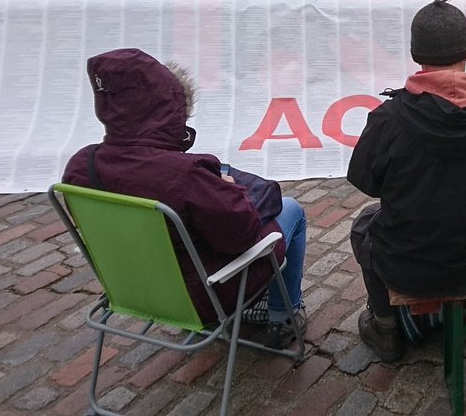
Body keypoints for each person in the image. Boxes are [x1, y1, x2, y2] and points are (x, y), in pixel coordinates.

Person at [63, 49, 307, 349]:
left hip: (130, 288)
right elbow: (243, 235)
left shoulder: (80, 165)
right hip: (198, 297)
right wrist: (231, 189)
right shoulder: (185, 175)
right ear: (167, 108)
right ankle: (283, 317)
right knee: (291, 209)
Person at [348, 0, 466, 362]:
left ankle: (385, 327)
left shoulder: (388, 119)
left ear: (416, 54)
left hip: (406, 266)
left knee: (363, 225)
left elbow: (366, 181)